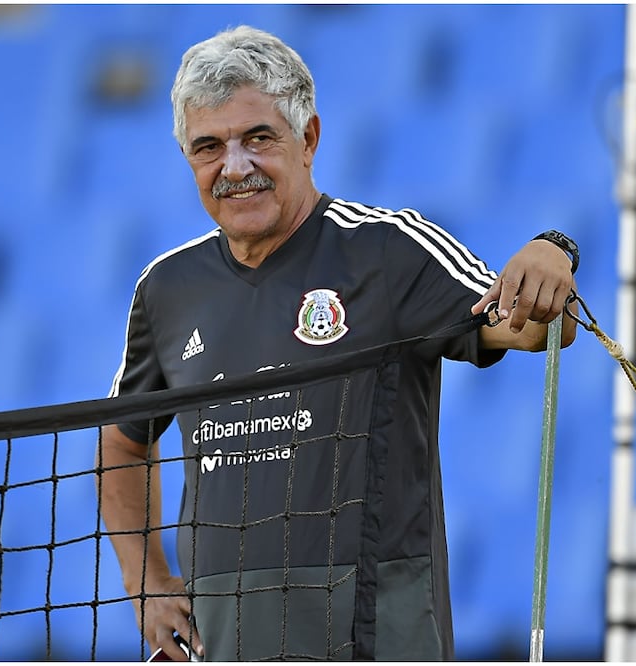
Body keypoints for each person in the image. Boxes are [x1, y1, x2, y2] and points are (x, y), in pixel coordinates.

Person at [97, 25, 579, 662]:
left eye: (257, 138)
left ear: (309, 139)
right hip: (228, 636)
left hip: (379, 629)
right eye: (208, 147)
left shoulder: (388, 248)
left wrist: (551, 262)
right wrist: (146, 583)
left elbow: (536, 327)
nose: (233, 167)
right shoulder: (167, 288)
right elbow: (121, 440)